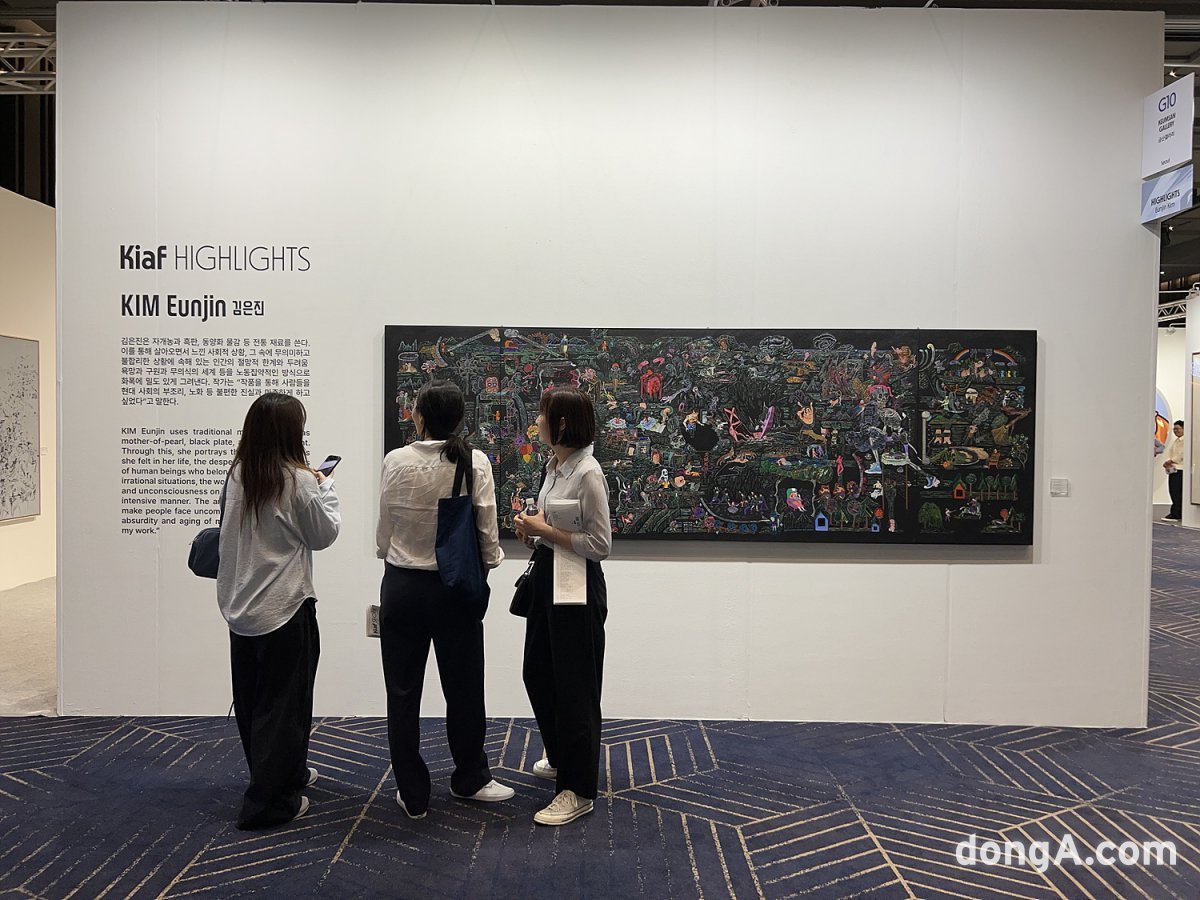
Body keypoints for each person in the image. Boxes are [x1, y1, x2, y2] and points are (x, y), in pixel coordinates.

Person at [376, 380, 512, 819]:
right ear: (458, 419)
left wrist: (391, 552)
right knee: (465, 687)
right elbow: (487, 531)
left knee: (402, 692)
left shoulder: (395, 460)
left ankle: (412, 794)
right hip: (454, 589)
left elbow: (384, 530)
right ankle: (470, 778)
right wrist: (487, 566)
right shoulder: (474, 462)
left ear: (418, 416)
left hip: (401, 587)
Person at [217, 392, 340, 829]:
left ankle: (283, 774)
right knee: (285, 707)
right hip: (285, 606)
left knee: (253, 702)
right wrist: (326, 487)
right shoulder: (299, 480)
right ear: (290, 433)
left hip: (240, 606)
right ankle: (269, 804)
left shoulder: (237, 475)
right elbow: (323, 534)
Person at [514, 386, 612, 827]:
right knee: (537, 671)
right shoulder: (555, 466)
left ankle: (577, 789)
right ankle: (560, 754)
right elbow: (554, 526)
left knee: (576, 686)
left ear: (563, 424)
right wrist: (534, 533)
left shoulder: (588, 473)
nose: (536, 421)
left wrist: (545, 531)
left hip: (577, 584)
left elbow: (600, 544)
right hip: (549, 577)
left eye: (542, 414)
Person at [1164, 420, 1185, 522]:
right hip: (1173, 469)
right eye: (1174, 429)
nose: (1175, 431)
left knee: (1177, 491)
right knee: (1173, 491)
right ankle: (1175, 511)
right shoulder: (1176, 441)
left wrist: (1170, 461)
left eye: (1178, 429)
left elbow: (1181, 455)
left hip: (1180, 469)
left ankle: (1176, 513)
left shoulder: (1185, 441)